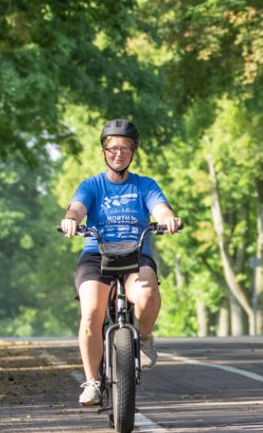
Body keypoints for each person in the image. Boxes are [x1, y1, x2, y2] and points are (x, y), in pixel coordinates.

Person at [59, 119, 182, 406]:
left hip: (135, 254)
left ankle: (146, 338)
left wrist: (168, 220)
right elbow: (76, 207)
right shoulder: (92, 185)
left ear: (133, 152)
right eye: (113, 148)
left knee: (149, 294)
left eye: (126, 148)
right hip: (96, 255)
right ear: (104, 151)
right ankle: (92, 382)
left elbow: (161, 209)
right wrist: (71, 220)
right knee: (91, 312)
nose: (119, 154)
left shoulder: (145, 185)